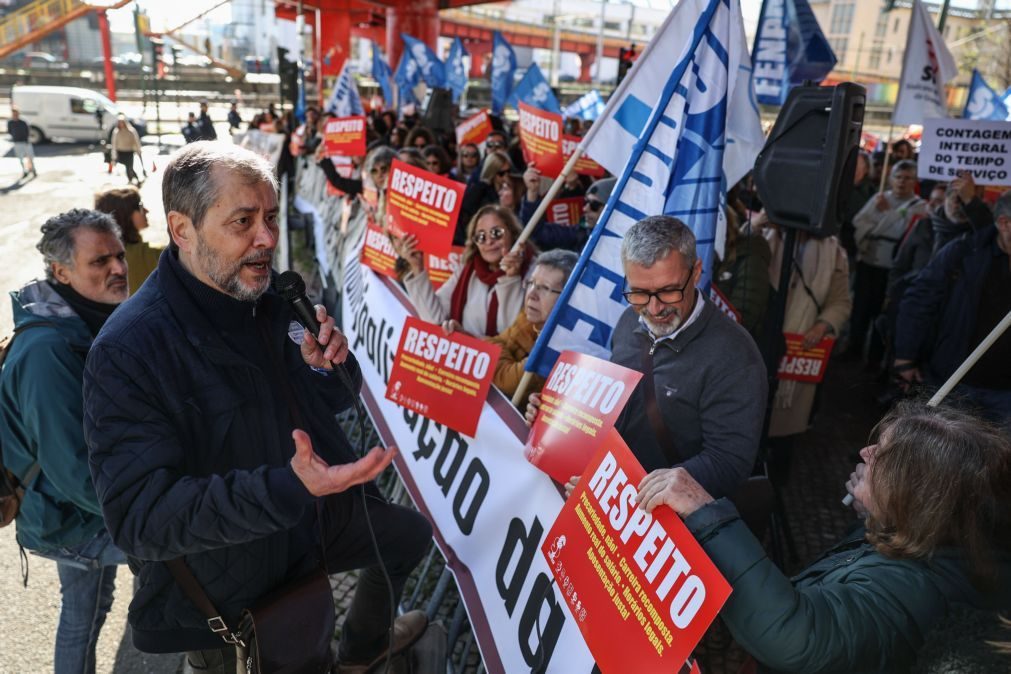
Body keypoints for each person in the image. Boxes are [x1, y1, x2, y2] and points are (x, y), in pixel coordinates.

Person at [81, 142, 431, 672]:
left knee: (409, 536)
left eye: (269, 216)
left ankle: (361, 649)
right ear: (182, 229)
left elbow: (337, 396)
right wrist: (289, 487)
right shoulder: (127, 349)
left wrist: (325, 365)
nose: (266, 238)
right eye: (243, 221)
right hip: (223, 574)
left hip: (310, 517)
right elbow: (139, 519)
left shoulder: (272, 299)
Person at [635, 400, 1011, 673]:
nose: (865, 451)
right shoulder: (924, 535)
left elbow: (796, 636)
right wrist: (878, 513)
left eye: (883, 455)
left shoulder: (918, 592)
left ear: (919, 494)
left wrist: (704, 511)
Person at [534, 216, 767, 499]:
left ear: (695, 273)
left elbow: (728, 462)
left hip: (665, 527)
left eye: (669, 291)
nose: (654, 309)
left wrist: (631, 492)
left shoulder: (735, 356)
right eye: (639, 293)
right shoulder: (626, 322)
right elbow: (615, 410)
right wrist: (558, 418)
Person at [0, 209, 129, 674]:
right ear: (61, 272)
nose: (117, 268)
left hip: (72, 508)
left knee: (87, 609)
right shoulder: (48, 352)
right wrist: (146, 516)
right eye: (99, 262)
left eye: (118, 255)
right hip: (68, 517)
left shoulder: (87, 318)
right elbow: (73, 469)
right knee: (87, 613)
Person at [894, 190, 1011, 425]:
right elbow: (920, 301)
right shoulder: (964, 252)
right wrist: (905, 356)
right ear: (1004, 224)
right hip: (954, 384)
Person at [763, 224, 851, 480]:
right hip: (761, 342)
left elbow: (841, 300)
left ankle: (776, 484)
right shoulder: (765, 234)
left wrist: (823, 325)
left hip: (800, 349)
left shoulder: (834, 252)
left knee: (784, 432)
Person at [397, 204, 533, 337]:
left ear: (514, 234)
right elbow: (434, 320)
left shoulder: (534, 272)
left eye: (496, 233)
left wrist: (511, 278)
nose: (489, 241)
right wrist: (417, 268)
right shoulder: (466, 271)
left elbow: (512, 337)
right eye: (481, 236)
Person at [849, 159, 926, 360]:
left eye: (907, 178)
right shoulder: (880, 197)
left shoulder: (919, 206)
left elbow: (905, 230)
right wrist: (882, 223)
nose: (902, 182)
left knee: (882, 313)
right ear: (891, 179)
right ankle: (852, 350)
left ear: (914, 181)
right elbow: (859, 221)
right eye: (898, 177)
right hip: (869, 261)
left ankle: (875, 358)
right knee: (860, 309)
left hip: (893, 268)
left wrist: (884, 215)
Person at [479, 249, 577, 400]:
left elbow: (509, 382)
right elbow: (490, 347)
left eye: (545, 288)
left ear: (569, 298)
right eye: (531, 283)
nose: (532, 294)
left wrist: (489, 345)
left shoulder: (561, 347)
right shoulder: (528, 317)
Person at [94, 186, 164, 292]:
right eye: (140, 206)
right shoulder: (155, 254)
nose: (146, 210)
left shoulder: (95, 258)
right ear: (125, 214)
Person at [455, 151, 515, 245]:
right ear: (492, 172)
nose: (506, 176)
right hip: (482, 240)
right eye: (501, 173)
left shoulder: (515, 188)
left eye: (509, 172)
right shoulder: (478, 191)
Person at [111, 114, 143, 185]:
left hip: (129, 152)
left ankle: (132, 179)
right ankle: (133, 178)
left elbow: (136, 141)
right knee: (127, 167)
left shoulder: (131, 131)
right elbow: (114, 144)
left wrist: (138, 150)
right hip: (120, 152)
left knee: (129, 167)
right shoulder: (116, 132)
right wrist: (114, 156)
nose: (121, 124)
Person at [7, 106, 37, 178]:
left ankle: (32, 170)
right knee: (20, 158)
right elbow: (10, 131)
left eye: (16, 113)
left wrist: (26, 140)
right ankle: (24, 171)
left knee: (30, 157)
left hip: (25, 142)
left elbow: (28, 131)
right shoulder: (10, 122)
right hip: (17, 142)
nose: (15, 115)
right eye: (13, 114)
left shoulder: (23, 122)